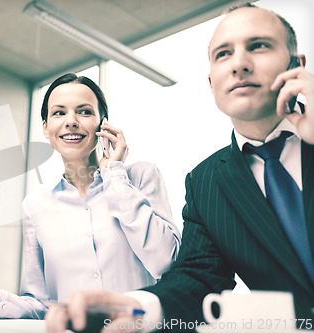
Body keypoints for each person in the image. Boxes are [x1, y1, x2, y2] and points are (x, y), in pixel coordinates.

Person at [45, 3, 314, 332]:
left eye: (258, 46)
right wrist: (136, 307)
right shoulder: (206, 181)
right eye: (224, 53)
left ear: (296, 65)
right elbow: (199, 276)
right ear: (212, 82)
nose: (240, 64)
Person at [0, 73, 181, 320]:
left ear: (103, 125)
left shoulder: (140, 176)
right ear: (46, 128)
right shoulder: (35, 205)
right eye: (59, 113)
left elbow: (166, 261)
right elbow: (41, 303)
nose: (71, 121)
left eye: (84, 111)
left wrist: (115, 176)